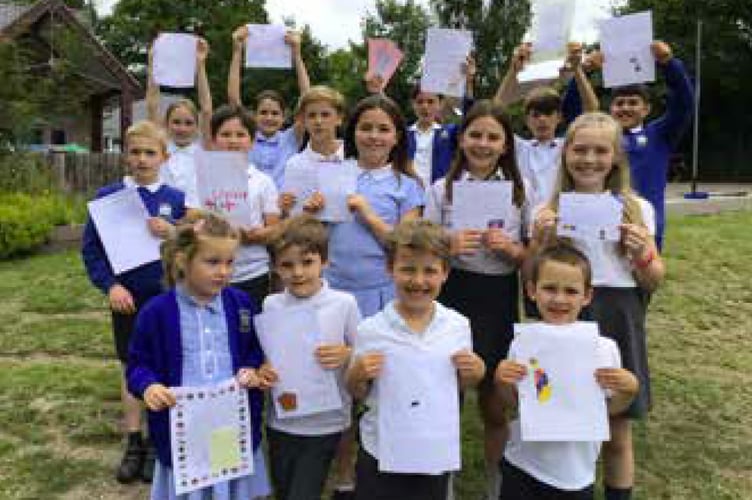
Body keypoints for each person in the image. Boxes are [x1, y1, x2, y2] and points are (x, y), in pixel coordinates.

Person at [529, 112, 665, 500]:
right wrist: (539, 243)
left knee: (617, 427)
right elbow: (529, 279)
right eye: (580, 149)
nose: (589, 159)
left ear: (616, 157)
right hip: (564, 313)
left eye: (600, 150)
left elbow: (654, 278)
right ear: (565, 153)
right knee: (561, 415)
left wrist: (641, 255)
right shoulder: (546, 209)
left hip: (619, 311)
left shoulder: (638, 209)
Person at [423, 99, 528, 500]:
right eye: (475, 134)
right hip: (452, 295)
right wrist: (445, 244)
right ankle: (442, 479)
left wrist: (513, 251)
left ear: (505, 145)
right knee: (447, 389)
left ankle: (495, 478)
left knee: (493, 399)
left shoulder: (520, 192)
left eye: (493, 137)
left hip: (497, 296)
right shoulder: (441, 190)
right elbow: (424, 250)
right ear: (461, 138)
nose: (483, 144)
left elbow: (532, 256)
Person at [127, 212, 270, 499]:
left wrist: (253, 370)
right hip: (182, 430)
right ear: (182, 260)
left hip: (228, 425)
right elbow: (137, 364)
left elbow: (255, 351)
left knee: (225, 484)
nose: (224, 272)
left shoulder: (241, 305)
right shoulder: (156, 312)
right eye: (212, 262)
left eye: (230, 262)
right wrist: (149, 386)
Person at [346, 219, 485, 500]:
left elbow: (459, 384)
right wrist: (357, 373)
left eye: (430, 271)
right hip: (382, 450)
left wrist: (477, 372)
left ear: (445, 272)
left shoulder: (457, 326)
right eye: (408, 269)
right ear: (390, 269)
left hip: (433, 449)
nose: (418, 281)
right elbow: (358, 393)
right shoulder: (371, 329)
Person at [81, 120, 187, 484]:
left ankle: (159, 442)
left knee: (165, 365)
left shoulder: (175, 199)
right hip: (126, 300)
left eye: (150, 153)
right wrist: (110, 286)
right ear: (125, 154)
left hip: (166, 298)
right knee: (131, 367)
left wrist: (174, 232)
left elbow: (190, 251)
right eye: (135, 152)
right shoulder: (108, 197)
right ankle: (133, 441)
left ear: (164, 157)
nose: (142, 160)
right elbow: (91, 250)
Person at [495, 243, 639, 499]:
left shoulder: (603, 348)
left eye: (571, 291)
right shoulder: (524, 344)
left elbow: (607, 411)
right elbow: (515, 404)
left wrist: (628, 390)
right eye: (549, 288)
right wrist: (501, 381)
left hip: (574, 474)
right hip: (522, 464)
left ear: (587, 296)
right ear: (531, 290)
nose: (559, 299)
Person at [258, 215, 361, 500]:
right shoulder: (271, 304)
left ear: (324, 262)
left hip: (325, 420)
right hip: (282, 420)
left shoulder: (344, 304)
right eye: (287, 265)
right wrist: (264, 370)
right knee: (285, 489)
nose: (298, 273)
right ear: (276, 268)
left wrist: (347, 353)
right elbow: (270, 355)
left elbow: (364, 353)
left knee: (304, 491)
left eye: (307, 262)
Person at [568, 41, 693, 249]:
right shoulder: (598, 135)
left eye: (633, 102)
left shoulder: (659, 134)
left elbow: (684, 103)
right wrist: (583, 72)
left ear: (646, 109)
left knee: (643, 280)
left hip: (643, 228)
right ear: (611, 108)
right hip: (597, 224)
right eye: (619, 103)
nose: (625, 107)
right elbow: (571, 113)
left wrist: (669, 64)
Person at [323, 94, 425, 318]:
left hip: (381, 293)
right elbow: (314, 234)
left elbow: (405, 246)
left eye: (383, 129)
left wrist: (369, 215)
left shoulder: (407, 186)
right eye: (366, 128)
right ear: (353, 132)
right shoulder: (332, 173)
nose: (373, 136)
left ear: (396, 137)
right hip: (330, 289)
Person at [494, 42, 599, 210]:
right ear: (526, 120)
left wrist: (577, 70)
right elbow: (495, 112)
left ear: (559, 118)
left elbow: (592, 111)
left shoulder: (568, 146)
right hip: (525, 225)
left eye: (549, 113)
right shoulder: (520, 148)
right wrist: (513, 71)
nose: (542, 120)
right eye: (536, 115)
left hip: (562, 221)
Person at [203, 104, 281, 304]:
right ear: (213, 140)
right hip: (208, 273)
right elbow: (191, 218)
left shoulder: (263, 181)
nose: (233, 141)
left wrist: (253, 235)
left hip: (252, 273)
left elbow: (274, 229)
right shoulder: (201, 179)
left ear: (252, 140)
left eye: (240, 134)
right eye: (225, 134)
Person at [228, 25, 311, 189]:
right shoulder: (247, 138)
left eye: (275, 113)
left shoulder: (291, 138)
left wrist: (297, 55)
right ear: (253, 115)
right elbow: (234, 99)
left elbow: (308, 100)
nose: (269, 117)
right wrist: (237, 51)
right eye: (263, 112)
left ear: (284, 116)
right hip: (250, 205)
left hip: (283, 208)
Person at [146, 36, 212, 210]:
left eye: (189, 123)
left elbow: (206, 110)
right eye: (176, 122)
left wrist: (200, 64)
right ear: (166, 124)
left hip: (196, 219)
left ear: (197, 127)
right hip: (162, 218)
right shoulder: (160, 148)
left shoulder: (204, 150)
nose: (182, 128)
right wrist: (153, 61)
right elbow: (153, 104)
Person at [406, 55, 475, 187]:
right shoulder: (403, 134)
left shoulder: (449, 132)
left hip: (438, 197)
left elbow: (470, 120)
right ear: (413, 104)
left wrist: (469, 83)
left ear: (440, 104)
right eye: (420, 102)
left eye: (431, 102)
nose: (425, 106)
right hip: (409, 199)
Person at [279, 85, 347, 217]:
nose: (318, 121)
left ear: (339, 118)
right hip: (309, 235)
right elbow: (293, 216)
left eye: (325, 115)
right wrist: (284, 210)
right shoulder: (294, 164)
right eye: (311, 115)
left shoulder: (354, 157)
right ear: (303, 121)